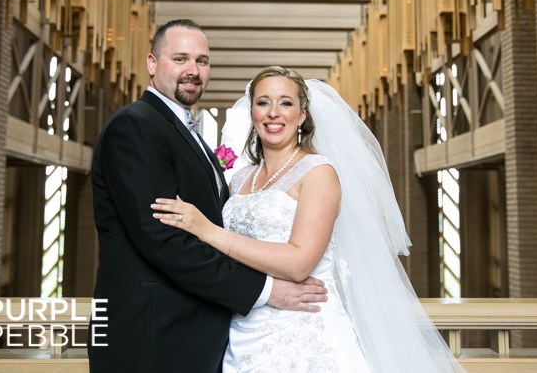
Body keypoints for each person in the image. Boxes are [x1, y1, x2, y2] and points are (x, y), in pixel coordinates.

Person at [153, 66, 467, 372]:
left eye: (285, 103)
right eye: (263, 102)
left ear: (302, 115)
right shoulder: (240, 179)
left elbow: (300, 262)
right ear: (252, 112)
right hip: (242, 328)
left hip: (305, 333)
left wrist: (207, 231)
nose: (273, 112)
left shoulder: (318, 173)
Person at [88, 23, 328, 373]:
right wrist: (264, 291)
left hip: (201, 335)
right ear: (152, 63)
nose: (193, 70)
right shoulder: (135, 126)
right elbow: (163, 238)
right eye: (180, 58)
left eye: (202, 61)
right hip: (151, 334)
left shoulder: (186, 133)